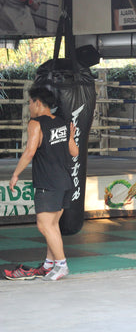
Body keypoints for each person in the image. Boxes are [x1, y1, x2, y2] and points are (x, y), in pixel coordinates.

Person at [4, 86, 78, 281]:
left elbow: (30, 151)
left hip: (48, 182)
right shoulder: (62, 122)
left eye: (30, 103)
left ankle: (61, 265)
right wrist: (70, 137)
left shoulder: (35, 123)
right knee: (52, 225)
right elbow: (74, 152)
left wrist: (15, 174)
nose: (29, 106)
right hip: (65, 181)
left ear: (37, 103)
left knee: (44, 225)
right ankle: (49, 264)